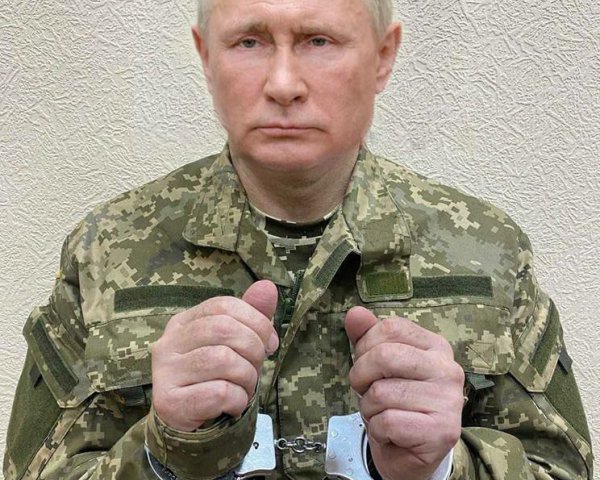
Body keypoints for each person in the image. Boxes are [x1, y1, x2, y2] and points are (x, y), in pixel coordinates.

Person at [3, 0, 593, 479]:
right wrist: (163, 453)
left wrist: (442, 468)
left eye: (318, 40)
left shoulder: (486, 250)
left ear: (383, 56)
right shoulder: (107, 250)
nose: (284, 84)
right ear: (206, 57)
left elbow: (564, 468)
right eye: (249, 42)